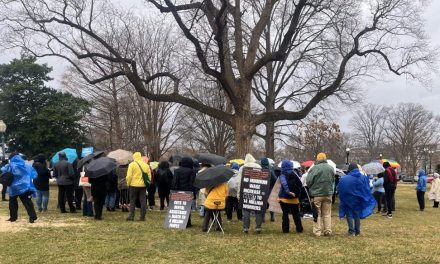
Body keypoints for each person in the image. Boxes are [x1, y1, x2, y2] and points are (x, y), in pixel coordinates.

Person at [338, 163, 376, 236]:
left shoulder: (345, 178)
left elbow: (340, 187)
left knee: (348, 214)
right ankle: (357, 231)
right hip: (358, 198)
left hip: (348, 199)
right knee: (357, 214)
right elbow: (367, 187)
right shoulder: (363, 177)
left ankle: (351, 231)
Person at [1, 153, 38, 223]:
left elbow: (3, 170)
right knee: (27, 202)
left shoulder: (10, 165)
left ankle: (13, 217)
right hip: (24, 187)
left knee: (12, 203)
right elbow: (34, 175)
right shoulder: (27, 166)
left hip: (13, 187)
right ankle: (32, 217)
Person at [306, 152, 335, 237]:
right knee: (327, 214)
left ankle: (317, 232)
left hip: (317, 194)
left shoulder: (314, 168)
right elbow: (333, 180)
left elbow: (308, 181)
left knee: (317, 213)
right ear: (325, 159)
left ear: (317, 159)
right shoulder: (330, 168)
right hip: (328, 194)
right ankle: (328, 231)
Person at [237, 154, 264, 234]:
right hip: (257, 190)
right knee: (258, 210)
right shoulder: (259, 167)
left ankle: (246, 228)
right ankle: (258, 227)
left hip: (245, 191)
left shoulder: (242, 168)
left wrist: (239, 194)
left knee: (246, 210)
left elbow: (239, 182)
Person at [278, 160, 303, 233]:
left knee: (285, 214)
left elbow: (284, 183)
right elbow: (300, 184)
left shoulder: (282, 174)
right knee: (296, 213)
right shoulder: (295, 173)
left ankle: (285, 229)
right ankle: (299, 228)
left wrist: (288, 192)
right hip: (294, 198)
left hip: (284, 198)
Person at [126, 152, 151, 221]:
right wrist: (147, 184)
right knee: (143, 201)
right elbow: (149, 176)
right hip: (143, 186)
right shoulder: (146, 165)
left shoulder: (132, 164)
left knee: (132, 201)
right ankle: (142, 217)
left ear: (134, 157)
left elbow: (129, 176)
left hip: (133, 185)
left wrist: (128, 183)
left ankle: (131, 216)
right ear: (140, 157)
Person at [172, 157, 196, 227]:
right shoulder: (192, 171)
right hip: (188, 191)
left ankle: (178, 221)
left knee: (179, 207)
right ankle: (188, 222)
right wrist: (193, 193)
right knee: (187, 208)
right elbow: (192, 183)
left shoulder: (177, 171)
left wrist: (173, 191)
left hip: (178, 191)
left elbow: (174, 182)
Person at [261, 157, 277, 222]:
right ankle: (272, 216)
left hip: (262, 189)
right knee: (271, 203)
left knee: (263, 203)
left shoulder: (259, 170)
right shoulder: (270, 169)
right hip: (269, 188)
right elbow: (275, 179)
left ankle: (263, 217)